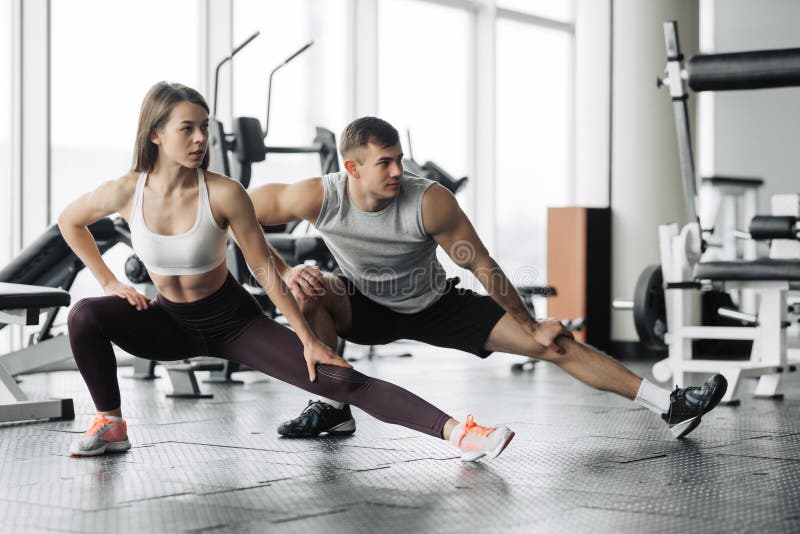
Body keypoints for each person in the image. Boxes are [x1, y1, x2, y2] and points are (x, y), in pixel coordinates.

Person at [58, 83, 514, 462]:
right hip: (168, 322)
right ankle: (111, 423)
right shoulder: (125, 190)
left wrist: (310, 340)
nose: (201, 138)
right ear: (156, 134)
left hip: (233, 324)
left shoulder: (224, 193)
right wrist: (109, 281)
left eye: (204, 127)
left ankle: (460, 433)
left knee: (339, 378)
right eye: (188, 129)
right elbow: (70, 221)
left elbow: (263, 266)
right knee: (85, 315)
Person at [248, 116, 728, 441]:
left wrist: (530, 321)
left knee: (552, 344)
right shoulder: (315, 197)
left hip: (437, 305)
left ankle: (670, 404)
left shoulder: (428, 200)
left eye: (400, 158)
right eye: (385, 163)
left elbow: (480, 265)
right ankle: (333, 407)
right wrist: (288, 270)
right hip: (363, 302)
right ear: (351, 168)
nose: (399, 170)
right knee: (309, 291)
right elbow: (234, 212)